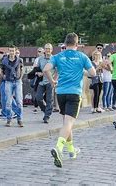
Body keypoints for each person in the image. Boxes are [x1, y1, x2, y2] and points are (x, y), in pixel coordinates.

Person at [43, 33, 96, 168]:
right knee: (68, 123)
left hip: (61, 93)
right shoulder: (82, 56)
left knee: (67, 123)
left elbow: (46, 69)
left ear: (65, 44)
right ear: (77, 44)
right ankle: (59, 148)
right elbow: (93, 73)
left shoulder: (58, 56)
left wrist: (53, 81)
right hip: (74, 93)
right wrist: (81, 71)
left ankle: (72, 151)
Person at [0, 45, 24, 127]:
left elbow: (22, 69)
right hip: (8, 81)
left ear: (15, 51)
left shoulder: (19, 60)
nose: (11, 52)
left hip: (17, 81)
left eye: (13, 51)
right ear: (8, 51)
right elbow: (1, 70)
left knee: (19, 101)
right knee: (8, 102)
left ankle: (19, 119)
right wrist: (3, 76)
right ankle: (9, 119)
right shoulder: (4, 61)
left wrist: (20, 78)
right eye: (10, 51)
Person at [35, 43, 56, 123]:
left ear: (51, 50)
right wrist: (38, 73)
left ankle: (47, 116)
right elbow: (37, 69)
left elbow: (58, 71)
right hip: (41, 81)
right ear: (44, 49)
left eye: (49, 49)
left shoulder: (54, 59)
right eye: (46, 49)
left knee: (49, 99)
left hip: (50, 81)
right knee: (38, 98)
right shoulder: (40, 59)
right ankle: (46, 111)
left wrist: (54, 80)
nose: (48, 50)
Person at [32, 47, 44, 114]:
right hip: (38, 77)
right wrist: (36, 72)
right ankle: (36, 107)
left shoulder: (45, 58)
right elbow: (34, 68)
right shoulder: (37, 59)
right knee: (37, 91)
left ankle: (45, 107)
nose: (38, 53)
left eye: (40, 51)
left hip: (45, 77)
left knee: (45, 93)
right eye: (38, 51)